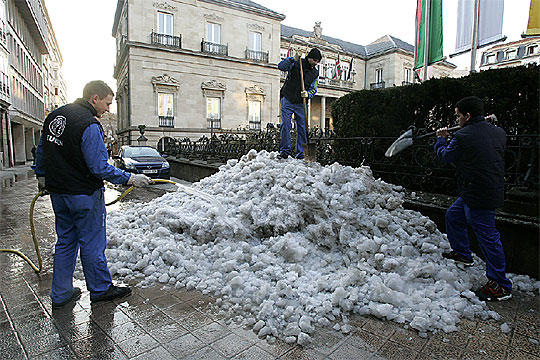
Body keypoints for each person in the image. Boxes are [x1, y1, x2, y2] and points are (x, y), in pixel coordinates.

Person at [33, 80, 152, 308]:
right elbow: (99, 167)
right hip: (84, 196)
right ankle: (100, 288)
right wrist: (130, 178)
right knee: (91, 243)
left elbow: (42, 150)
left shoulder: (55, 117)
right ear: (94, 98)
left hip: (59, 194)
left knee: (65, 242)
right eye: (107, 103)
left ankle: (60, 293)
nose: (108, 108)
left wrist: (41, 178)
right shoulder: (89, 125)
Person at [434, 96, 512, 301]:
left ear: (467, 116)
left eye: (458, 116)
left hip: (478, 193)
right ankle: (462, 253)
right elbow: (482, 137)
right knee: (454, 215)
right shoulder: (497, 132)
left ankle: (500, 285)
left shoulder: (463, 136)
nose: (457, 120)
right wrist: (482, 124)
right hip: (483, 189)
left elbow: (444, 157)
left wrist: (441, 139)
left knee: (488, 236)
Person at [278, 48, 321, 159]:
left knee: (302, 127)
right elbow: (281, 66)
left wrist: (308, 94)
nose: (316, 63)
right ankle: (285, 151)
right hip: (288, 98)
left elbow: (314, 89)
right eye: (315, 60)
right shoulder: (297, 63)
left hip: (301, 103)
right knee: (285, 125)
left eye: (318, 61)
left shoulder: (315, 73)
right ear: (309, 58)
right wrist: (292, 59)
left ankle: (301, 153)